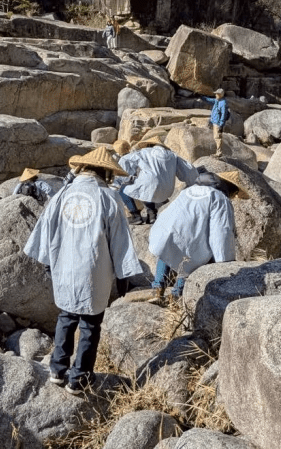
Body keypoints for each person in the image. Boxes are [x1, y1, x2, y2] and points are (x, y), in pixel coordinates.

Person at [24, 147, 142, 396]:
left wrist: (47, 261)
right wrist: (124, 275)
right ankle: (79, 378)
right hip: (94, 269)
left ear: (83, 169)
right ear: (104, 172)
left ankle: (57, 370)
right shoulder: (108, 197)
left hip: (65, 265)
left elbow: (46, 227)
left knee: (66, 317)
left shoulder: (62, 194)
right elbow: (119, 239)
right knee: (90, 324)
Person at [148, 170, 249, 300]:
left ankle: (157, 289)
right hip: (192, 236)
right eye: (234, 194)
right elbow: (222, 230)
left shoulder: (189, 190)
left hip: (166, 229)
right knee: (193, 258)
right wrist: (225, 261)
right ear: (229, 188)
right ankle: (177, 294)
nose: (233, 197)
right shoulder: (219, 198)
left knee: (166, 251)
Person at [118, 136, 198, 225]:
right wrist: (194, 183)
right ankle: (152, 214)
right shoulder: (172, 155)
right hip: (167, 192)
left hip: (150, 187)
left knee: (124, 188)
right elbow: (189, 171)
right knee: (146, 184)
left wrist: (128, 176)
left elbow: (124, 160)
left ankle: (135, 215)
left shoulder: (144, 152)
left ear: (149, 145)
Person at [203, 88, 229, 156]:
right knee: (216, 137)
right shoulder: (217, 100)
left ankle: (219, 152)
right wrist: (201, 97)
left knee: (217, 137)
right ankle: (218, 151)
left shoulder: (223, 103)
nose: (215, 95)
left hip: (218, 123)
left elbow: (223, 114)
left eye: (217, 94)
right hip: (214, 121)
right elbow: (209, 100)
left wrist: (221, 124)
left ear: (220, 95)